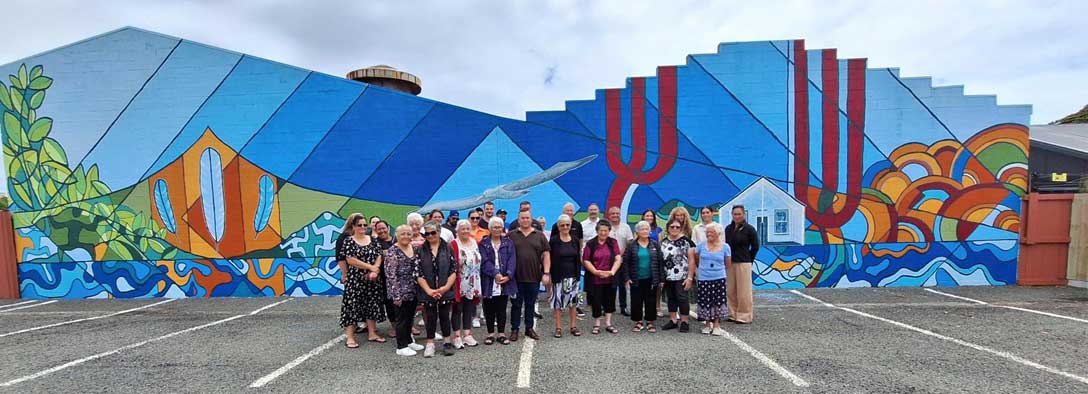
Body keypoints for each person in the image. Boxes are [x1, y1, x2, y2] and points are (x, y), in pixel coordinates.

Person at [338, 214, 387, 348]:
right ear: (353, 226)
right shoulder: (348, 241)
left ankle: (372, 333)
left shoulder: (373, 239)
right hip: (355, 280)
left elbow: (379, 255)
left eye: (365, 225)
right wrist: (370, 267)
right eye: (360, 225)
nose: (363, 227)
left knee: (371, 304)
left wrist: (375, 269)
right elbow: (350, 259)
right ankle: (350, 337)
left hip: (372, 279)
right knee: (351, 307)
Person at [416, 221, 458, 357]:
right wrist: (428, 290)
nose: (430, 236)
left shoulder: (448, 248)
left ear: (439, 232)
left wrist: (445, 287)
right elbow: (418, 273)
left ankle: (447, 342)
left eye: (433, 233)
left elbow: (454, 270)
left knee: (445, 316)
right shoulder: (420, 250)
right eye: (427, 233)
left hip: (445, 289)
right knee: (430, 316)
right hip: (427, 291)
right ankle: (430, 343)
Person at [508, 209, 550, 341]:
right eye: (523, 218)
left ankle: (529, 328)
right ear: (518, 220)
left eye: (527, 218)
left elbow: (546, 254)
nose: (525, 220)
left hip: (534, 276)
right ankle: (514, 329)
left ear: (531, 220)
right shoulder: (511, 235)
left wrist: (546, 273)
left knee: (530, 304)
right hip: (515, 278)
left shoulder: (539, 235)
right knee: (516, 305)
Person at [385, 225, 425, 356]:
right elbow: (391, 275)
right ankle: (401, 346)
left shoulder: (413, 248)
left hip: (413, 290)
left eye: (409, 234)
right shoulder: (393, 251)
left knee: (410, 317)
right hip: (400, 292)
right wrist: (396, 295)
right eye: (403, 234)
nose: (406, 236)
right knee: (401, 319)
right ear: (397, 235)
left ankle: (409, 340)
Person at [688, 222, 731, 336]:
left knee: (717, 301)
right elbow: (697, 260)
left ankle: (716, 325)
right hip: (704, 278)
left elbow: (727, 264)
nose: (709, 234)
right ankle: (707, 324)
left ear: (718, 233)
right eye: (707, 232)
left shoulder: (725, 247)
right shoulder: (701, 246)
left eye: (711, 232)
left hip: (719, 278)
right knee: (705, 301)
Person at [480, 217, 516, 345]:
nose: (496, 229)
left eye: (499, 227)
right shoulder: (483, 243)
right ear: (489, 228)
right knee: (489, 308)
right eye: (494, 227)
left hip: (505, 280)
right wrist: (495, 274)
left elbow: (512, 260)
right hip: (489, 280)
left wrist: (508, 275)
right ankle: (490, 334)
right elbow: (484, 261)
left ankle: (501, 333)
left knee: (502, 307)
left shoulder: (508, 242)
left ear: (502, 228)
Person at [624, 221, 664, 333]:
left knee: (650, 300)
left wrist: (661, 279)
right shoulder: (631, 245)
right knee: (636, 300)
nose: (645, 231)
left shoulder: (655, 244)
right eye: (642, 229)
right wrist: (627, 277)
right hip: (636, 278)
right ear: (637, 232)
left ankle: (650, 322)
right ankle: (638, 322)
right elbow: (626, 262)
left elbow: (660, 262)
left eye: (647, 229)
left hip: (651, 278)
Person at [582, 221, 621, 334]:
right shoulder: (590, 244)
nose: (603, 233)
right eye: (601, 230)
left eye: (606, 231)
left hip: (610, 277)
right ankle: (597, 323)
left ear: (609, 231)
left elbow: (618, 258)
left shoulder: (613, 242)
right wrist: (595, 272)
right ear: (597, 231)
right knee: (596, 301)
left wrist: (612, 271)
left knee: (610, 300)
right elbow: (586, 260)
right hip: (595, 278)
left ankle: (608, 323)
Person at [450, 220, 482, 349]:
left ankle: (467, 334)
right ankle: (457, 336)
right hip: (459, 281)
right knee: (457, 309)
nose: (465, 231)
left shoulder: (474, 242)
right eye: (462, 229)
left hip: (473, 281)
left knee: (469, 307)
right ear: (457, 230)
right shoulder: (453, 244)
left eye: (467, 229)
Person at [549, 214, 582, 338]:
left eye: (567, 225)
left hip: (573, 276)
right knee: (558, 303)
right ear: (558, 226)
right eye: (562, 225)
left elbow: (578, 257)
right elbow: (549, 258)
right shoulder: (553, 241)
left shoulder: (574, 239)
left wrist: (578, 275)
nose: (565, 227)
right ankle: (558, 328)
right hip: (558, 276)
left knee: (573, 303)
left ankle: (573, 326)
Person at [725, 205, 759, 324]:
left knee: (744, 291)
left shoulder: (749, 229)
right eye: (735, 214)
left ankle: (744, 315)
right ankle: (732, 314)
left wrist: (749, 259)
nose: (737, 216)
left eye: (739, 214)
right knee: (730, 290)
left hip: (743, 262)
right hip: (730, 262)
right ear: (732, 215)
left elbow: (755, 246)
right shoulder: (728, 229)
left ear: (743, 215)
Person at [660, 218, 695, 332]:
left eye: (677, 227)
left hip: (682, 276)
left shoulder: (686, 241)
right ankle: (673, 320)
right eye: (672, 227)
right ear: (668, 228)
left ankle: (684, 321)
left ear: (681, 228)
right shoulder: (663, 242)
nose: (674, 229)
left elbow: (691, 260)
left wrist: (690, 277)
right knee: (671, 298)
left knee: (682, 298)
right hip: (668, 276)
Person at [372, 220, 398, 337]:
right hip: (383, 278)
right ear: (376, 231)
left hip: (399, 277)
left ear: (388, 228)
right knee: (389, 303)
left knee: (404, 302)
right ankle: (394, 326)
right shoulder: (375, 243)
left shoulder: (396, 240)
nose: (382, 231)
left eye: (384, 228)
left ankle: (409, 326)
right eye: (379, 229)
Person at [607, 206, 633, 316]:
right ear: (609, 215)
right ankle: (609, 307)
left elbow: (630, 242)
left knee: (622, 285)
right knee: (610, 286)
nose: (615, 215)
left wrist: (620, 255)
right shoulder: (606, 227)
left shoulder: (625, 227)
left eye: (617, 213)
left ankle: (623, 307)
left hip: (622, 261)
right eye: (613, 213)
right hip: (608, 262)